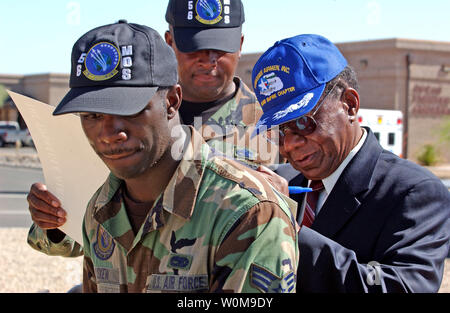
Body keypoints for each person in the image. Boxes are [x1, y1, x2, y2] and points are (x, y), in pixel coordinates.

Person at [28, 20, 298, 293]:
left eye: (129, 110)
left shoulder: (247, 212)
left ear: (172, 101)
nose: (109, 133)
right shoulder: (100, 209)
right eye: (92, 116)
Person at [251, 34, 450, 292]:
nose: (289, 144)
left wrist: (287, 229)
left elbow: (403, 287)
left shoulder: (415, 193)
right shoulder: (284, 185)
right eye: (277, 132)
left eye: (303, 122)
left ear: (350, 105)